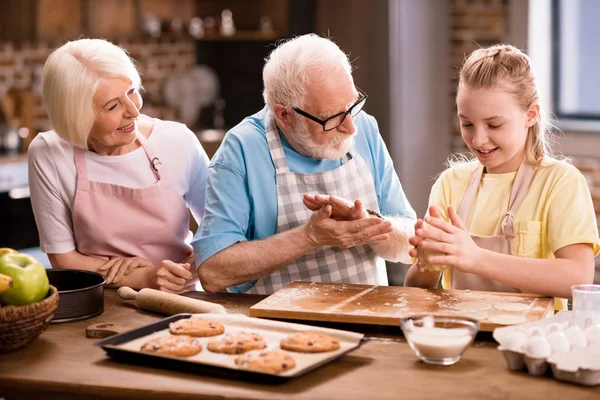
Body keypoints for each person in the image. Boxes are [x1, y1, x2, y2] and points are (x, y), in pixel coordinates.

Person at [194, 34, 416, 295]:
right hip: (279, 327)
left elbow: (412, 240)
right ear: (285, 116)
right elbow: (212, 272)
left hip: (365, 315)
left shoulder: (364, 126)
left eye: (352, 105)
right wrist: (309, 236)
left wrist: (368, 226)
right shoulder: (242, 149)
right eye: (331, 118)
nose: (350, 128)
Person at [404, 44, 599, 308]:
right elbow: (416, 291)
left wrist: (476, 258)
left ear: (530, 115)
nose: (478, 139)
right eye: (467, 124)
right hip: (460, 333)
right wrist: (429, 262)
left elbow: (577, 278)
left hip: (531, 341)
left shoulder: (559, 182)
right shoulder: (450, 183)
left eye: (494, 124)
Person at [28, 38, 209, 292]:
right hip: (99, 300)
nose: (133, 111)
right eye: (112, 106)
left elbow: (221, 230)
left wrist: (183, 270)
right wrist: (143, 277)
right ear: (76, 115)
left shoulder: (178, 140)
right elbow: (63, 260)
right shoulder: (49, 154)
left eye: (132, 91)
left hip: (180, 296)